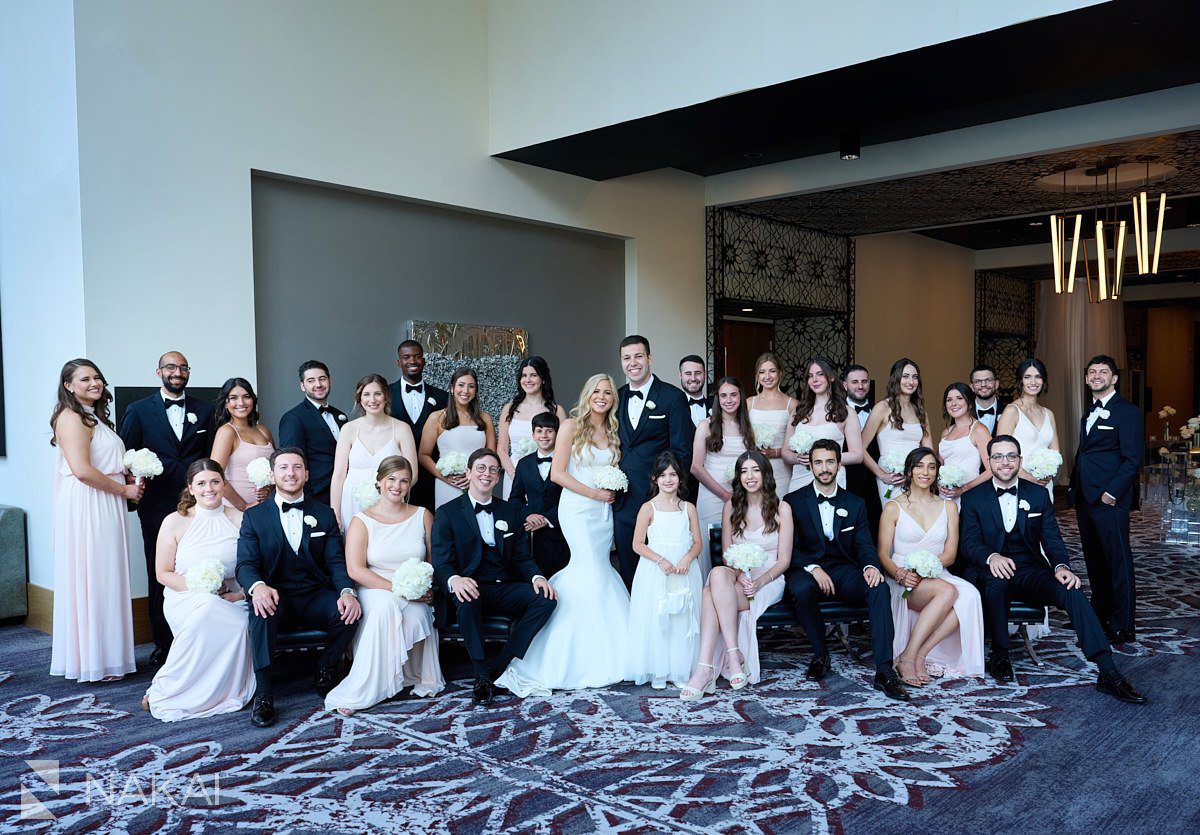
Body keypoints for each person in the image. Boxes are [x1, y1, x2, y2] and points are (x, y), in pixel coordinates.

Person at [960, 436, 1146, 703]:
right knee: (996, 582)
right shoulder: (974, 498)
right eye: (998, 456)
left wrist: (1061, 566)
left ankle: (1108, 671)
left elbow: (1052, 538)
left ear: (1020, 461)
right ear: (988, 462)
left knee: (1071, 589)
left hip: (1030, 570)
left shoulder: (1036, 494)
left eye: (1011, 456)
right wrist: (991, 557)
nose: (1005, 462)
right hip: (992, 568)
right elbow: (969, 543)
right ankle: (1000, 653)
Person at [496, 374, 634, 697]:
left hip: (604, 514)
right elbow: (558, 473)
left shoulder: (613, 431)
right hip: (578, 509)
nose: (602, 397)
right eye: (596, 391)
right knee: (585, 568)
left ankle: (611, 651)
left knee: (601, 568)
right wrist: (593, 494)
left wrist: (608, 493)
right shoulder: (571, 426)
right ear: (587, 394)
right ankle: (560, 655)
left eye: (608, 393)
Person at [235, 448, 362, 727]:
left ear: (306, 474)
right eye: (283, 468)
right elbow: (245, 564)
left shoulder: (324, 514)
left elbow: (336, 561)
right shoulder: (254, 517)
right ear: (272, 475)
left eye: (296, 467)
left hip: (315, 594)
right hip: (276, 595)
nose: (290, 473)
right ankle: (265, 694)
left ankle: (325, 667)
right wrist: (257, 587)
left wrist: (346, 592)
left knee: (350, 612)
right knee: (261, 610)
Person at [783, 440, 909, 701]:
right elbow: (787, 548)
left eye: (830, 461)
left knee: (879, 588)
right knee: (801, 587)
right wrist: (813, 567)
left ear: (839, 465)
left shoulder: (855, 503)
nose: (824, 468)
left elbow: (864, 545)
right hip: (808, 568)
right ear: (811, 466)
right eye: (818, 462)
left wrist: (871, 566)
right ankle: (821, 654)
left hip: (844, 569)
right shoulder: (792, 502)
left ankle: (884, 671)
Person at [432, 448, 557, 705]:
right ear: (468, 473)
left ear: (499, 478)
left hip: (505, 585)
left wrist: (537, 578)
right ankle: (480, 673)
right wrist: (454, 579)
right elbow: (442, 562)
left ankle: (499, 665)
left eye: (492, 470)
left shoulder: (510, 511)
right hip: (472, 585)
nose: (486, 474)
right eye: (480, 468)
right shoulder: (447, 513)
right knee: (465, 598)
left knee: (546, 599)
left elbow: (522, 557)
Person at [325, 456, 444, 715]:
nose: (397, 486)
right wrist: (398, 588)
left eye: (403, 481)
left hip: (413, 593)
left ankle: (404, 676)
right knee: (385, 608)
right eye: (391, 479)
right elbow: (356, 570)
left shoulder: (423, 515)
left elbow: (435, 561)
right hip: (374, 587)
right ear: (379, 481)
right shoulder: (362, 520)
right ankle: (364, 688)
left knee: (417, 615)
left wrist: (426, 588)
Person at [119, 351, 215, 666]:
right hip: (157, 505)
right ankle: (164, 643)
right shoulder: (138, 410)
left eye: (182, 367)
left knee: (201, 564)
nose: (177, 372)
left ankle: (200, 637)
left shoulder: (205, 410)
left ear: (188, 372)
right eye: (171, 367)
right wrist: (134, 488)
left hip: (197, 505)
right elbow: (127, 458)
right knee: (160, 570)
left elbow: (211, 459)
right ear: (158, 372)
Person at [50, 359, 143, 683]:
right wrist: (124, 489)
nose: (94, 383)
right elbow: (82, 470)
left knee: (106, 576)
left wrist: (128, 474)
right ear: (68, 385)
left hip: (105, 501)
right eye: (85, 378)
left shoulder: (95, 417)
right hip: (89, 503)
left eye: (97, 377)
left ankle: (107, 656)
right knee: (94, 574)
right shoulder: (71, 417)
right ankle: (92, 659)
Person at [142, 460, 254, 720]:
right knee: (205, 610)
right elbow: (163, 573)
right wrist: (201, 587)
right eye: (201, 483)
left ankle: (213, 692)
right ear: (190, 488)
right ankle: (167, 689)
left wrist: (239, 595)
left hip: (231, 597)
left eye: (215, 482)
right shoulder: (174, 522)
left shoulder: (241, 520)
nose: (209, 489)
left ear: (224, 484)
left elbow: (254, 566)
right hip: (184, 597)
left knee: (237, 623)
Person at [679, 450, 792, 699]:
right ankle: (733, 652)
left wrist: (759, 581)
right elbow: (728, 554)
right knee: (718, 574)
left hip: (769, 580)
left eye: (755, 470)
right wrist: (740, 573)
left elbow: (784, 560)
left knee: (710, 594)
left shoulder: (782, 508)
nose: (749, 476)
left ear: (765, 474)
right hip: (738, 576)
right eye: (744, 471)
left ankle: (704, 668)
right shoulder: (731, 505)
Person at [878, 447, 984, 683]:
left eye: (931, 467)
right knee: (948, 591)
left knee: (971, 596)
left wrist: (927, 568)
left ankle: (916, 654)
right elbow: (883, 554)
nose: (925, 472)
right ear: (909, 471)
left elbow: (950, 554)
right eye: (919, 466)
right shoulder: (893, 507)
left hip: (938, 572)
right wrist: (901, 574)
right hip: (904, 579)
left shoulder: (949, 507)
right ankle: (908, 658)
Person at [1069, 355, 1142, 645]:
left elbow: (1132, 459)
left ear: (1114, 378)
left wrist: (1112, 493)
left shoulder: (1128, 412)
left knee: (1118, 562)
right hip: (1086, 499)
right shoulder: (1089, 412)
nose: (1097, 376)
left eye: (1103, 372)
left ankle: (1124, 625)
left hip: (1109, 499)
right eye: (1092, 372)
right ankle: (1101, 617)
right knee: (1095, 562)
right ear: (1087, 379)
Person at [614, 336, 692, 587]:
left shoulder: (672, 397)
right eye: (627, 358)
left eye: (638, 356)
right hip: (624, 498)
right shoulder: (617, 397)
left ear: (650, 358)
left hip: (659, 498)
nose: (632, 363)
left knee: (664, 564)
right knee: (628, 561)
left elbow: (681, 450)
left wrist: (668, 491)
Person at [627, 452, 703, 689]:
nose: (668, 479)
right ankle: (658, 669)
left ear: (680, 478)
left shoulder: (688, 508)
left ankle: (680, 669)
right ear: (655, 479)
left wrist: (688, 558)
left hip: (683, 569)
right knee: (658, 618)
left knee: (681, 618)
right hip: (656, 570)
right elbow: (637, 543)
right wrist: (660, 560)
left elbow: (698, 542)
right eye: (663, 475)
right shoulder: (648, 508)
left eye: (673, 474)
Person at [331, 374, 418, 529]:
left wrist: (391, 494)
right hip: (352, 501)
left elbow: (413, 474)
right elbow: (338, 475)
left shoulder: (402, 429)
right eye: (366, 394)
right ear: (359, 399)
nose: (372, 400)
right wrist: (334, 511)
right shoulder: (348, 429)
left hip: (390, 500)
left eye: (377, 393)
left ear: (386, 397)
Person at [690, 376, 752, 577]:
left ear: (741, 397)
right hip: (712, 496)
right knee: (711, 547)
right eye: (723, 395)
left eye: (734, 395)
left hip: (742, 496)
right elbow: (696, 468)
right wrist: (726, 495)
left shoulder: (747, 427)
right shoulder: (705, 426)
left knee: (739, 543)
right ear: (717, 398)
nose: (729, 400)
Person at [782, 357, 864, 494]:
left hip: (832, 478)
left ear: (831, 376)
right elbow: (785, 452)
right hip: (800, 478)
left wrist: (822, 458)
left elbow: (858, 455)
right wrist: (797, 458)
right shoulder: (798, 411)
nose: (814, 380)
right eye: (810, 376)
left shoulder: (846, 412)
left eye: (820, 374)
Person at [420, 367, 496, 511]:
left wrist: (475, 477)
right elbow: (423, 455)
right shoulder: (437, 418)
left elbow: (492, 455)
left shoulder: (485, 418)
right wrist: (444, 477)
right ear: (452, 388)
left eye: (471, 386)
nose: (465, 391)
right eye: (461, 385)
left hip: (479, 483)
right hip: (448, 484)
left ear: (476, 391)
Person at [861, 358, 932, 504]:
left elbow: (928, 449)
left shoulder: (920, 411)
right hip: (892, 478)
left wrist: (926, 472)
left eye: (915, 377)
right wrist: (882, 474)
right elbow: (860, 448)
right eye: (905, 376)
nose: (910, 381)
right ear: (896, 378)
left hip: (918, 475)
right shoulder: (882, 408)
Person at [278, 361, 348, 507]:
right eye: (311, 380)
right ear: (302, 386)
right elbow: (293, 460)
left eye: (322, 379)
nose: (318, 384)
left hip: (346, 491)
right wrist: (305, 498)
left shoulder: (340, 416)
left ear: (330, 381)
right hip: (316, 495)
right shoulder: (293, 418)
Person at [508, 412, 570, 577]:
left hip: (561, 529)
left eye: (549, 431)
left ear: (557, 434)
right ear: (533, 435)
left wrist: (547, 519)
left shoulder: (568, 462)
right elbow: (515, 498)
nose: (544, 435)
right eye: (539, 431)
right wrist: (528, 515)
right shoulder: (523, 464)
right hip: (533, 535)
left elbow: (572, 496)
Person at [389, 340, 449, 511]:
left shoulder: (442, 397)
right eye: (406, 357)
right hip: (396, 478)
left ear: (424, 361)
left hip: (432, 477)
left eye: (417, 357)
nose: (412, 361)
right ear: (399, 362)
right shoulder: (385, 394)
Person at [497, 356, 566, 500]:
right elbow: (502, 449)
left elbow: (563, 448)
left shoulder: (556, 410)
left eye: (533, 375)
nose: (527, 380)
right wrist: (515, 476)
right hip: (514, 473)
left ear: (543, 378)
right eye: (524, 375)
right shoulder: (509, 409)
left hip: (545, 475)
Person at [996, 358, 1060, 500]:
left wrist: (1048, 473)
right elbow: (1000, 452)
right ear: (1020, 381)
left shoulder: (1048, 414)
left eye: (1038, 377)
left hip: (1044, 483)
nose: (1033, 382)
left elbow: (1055, 451)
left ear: (1044, 381)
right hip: (1018, 480)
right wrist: (1028, 477)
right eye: (1027, 377)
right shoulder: (1012, 411)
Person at [210, 377, 275, 511]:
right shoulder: (226, 432)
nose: (241, 402)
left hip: (264, 507)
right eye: (233, 398)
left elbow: (277, 468)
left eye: (246, 396)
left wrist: (268, 489)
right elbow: (214, 475)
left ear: (253, 400)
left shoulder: (264, 431)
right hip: (235, 510)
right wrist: (243, 506)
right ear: (226, 403)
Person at [841, 363, 883, 530]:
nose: (860, 386)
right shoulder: (835, 412)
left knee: (874, 524)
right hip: (846, 478)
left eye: (864, 382)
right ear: (845, 385)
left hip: (873, 480)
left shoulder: (878, 411)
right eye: (855, 382)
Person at [746, 352, 793, 500]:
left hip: (781, 468)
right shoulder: (749, 403)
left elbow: (795, 442)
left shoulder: (792, 404)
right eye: (762, 372)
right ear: (757, 376)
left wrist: (776, 452)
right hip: (754, 467)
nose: (767, 376)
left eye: (772, 371)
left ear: (780, 373)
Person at [938, 382, 992, 506]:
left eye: (959, 398)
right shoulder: (946, 432)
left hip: (969, 494)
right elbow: (939, 466)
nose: (954, 404)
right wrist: (939, 485)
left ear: (970, 402)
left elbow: (991, 469)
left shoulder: (979, 429)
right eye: (949, 400)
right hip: (945, 496)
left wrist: (963, 489)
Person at [679, 354, 708, 500]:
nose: (693, 378)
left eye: (698, 373)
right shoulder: (673, 406)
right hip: (682, 482)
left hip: (711, 478)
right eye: (688, 373)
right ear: (680, 375)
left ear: (704, 375)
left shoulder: (717, 406)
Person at [969, 364, 1008, 434]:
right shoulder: (964, 412)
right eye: (977, 381)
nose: (983, 385)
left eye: (988, 380)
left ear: (996, 384)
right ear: (971, 387)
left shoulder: (1008, 410)